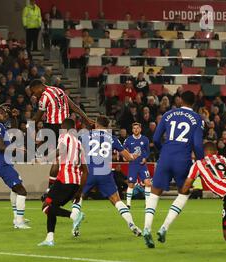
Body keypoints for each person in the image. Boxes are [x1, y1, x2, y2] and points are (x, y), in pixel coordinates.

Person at [143, 91, 204, 248]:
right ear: (194, 102)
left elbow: (156, 138)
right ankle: (164, 227)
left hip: (165, 157)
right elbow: (197, 145)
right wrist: (201, 162)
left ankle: (146, 228)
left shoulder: (168, 114)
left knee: (154, 193)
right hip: (183, 159)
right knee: (184, 193)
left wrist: (163, 150)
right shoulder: (197, 119)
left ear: (180, 100)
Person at [76, 116, 142, 237]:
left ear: (96, 124)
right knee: (117, 201)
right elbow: (128, 158)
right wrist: (134, 156)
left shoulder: (85, 136)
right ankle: (132, 224)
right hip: (105, 173)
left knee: (78, 197)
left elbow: (75, 151)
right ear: (107, 126)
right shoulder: (112, 138)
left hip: (89, 172)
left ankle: (75, 226)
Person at [30, 79, 93, 196]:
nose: (35, 95)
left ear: (39, 87)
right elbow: (74, 106)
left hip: (53, 127)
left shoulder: (44, 97)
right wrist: (86, 118)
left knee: (57, 159)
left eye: (34, 92)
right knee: (68, 158)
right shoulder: (59, 90)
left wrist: (28, 127)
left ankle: (50, 189)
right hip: (66, 127)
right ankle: (65, 186)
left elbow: (37, 117)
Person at [38, 118, 88, 246]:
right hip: (75, 183)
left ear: (63, 127)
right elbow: (85, 171)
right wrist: (79, 191)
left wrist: (44, 158)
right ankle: (50, 238)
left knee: (46, 206)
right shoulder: (79, 144)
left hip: (65, 180)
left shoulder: (64, 136)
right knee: (51, 206)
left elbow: (61, 151)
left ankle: (74, 216)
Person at [0, 106, 30, 229]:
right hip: (2, 163)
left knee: (16, 188)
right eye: (1, 113)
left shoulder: (0, 126)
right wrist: (17, 148)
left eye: (5, 113)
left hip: (4, 163)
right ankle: (19, 221)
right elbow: (1, 147)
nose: (4, 115)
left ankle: (16, 217)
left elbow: (13, 129)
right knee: (22, 191)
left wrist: (14, 117)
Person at [124, 122, 152, 209]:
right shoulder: (128, 140)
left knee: (148, 183)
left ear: (140, 129)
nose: (136, 130)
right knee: (131, 184)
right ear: (132, 130)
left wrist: (145, 158)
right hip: (133, 165)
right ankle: (128, 204)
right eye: (134, 128)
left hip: (142, 165)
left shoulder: (145, 139)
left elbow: (147, 151)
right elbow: (123, 150)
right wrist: (127, 156)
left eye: (137, 128)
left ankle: (147, 204)